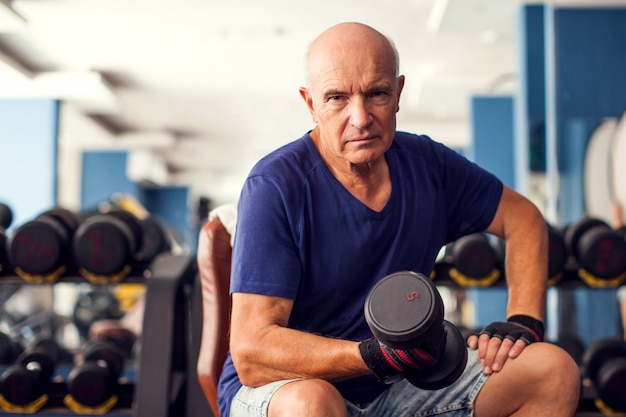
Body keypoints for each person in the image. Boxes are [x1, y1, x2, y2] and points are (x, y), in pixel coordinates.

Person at [217, 22, 581, 417]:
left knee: (553, 371)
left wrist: (523, 322)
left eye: (376, 93)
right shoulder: (275, 185)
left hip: (398, 385)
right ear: (310, 104)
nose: (360, 117)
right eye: (337, 98)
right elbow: (253, 353)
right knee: (313, 403)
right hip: (281, 388)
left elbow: (523, 217)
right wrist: (375, 357)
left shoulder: (430, 167)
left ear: (398, 93)